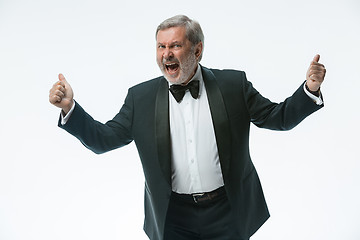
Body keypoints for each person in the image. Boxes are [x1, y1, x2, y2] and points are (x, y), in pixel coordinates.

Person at [49, 15, 326, 240]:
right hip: (173, 216)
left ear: (198, 49)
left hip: (227, 210)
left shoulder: (233, 86)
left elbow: (277, 118)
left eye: (175, 46)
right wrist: (69, 108)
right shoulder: (140, 98)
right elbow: (103, 139)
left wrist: (309, 89)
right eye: (161, 47)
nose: (166, 54)